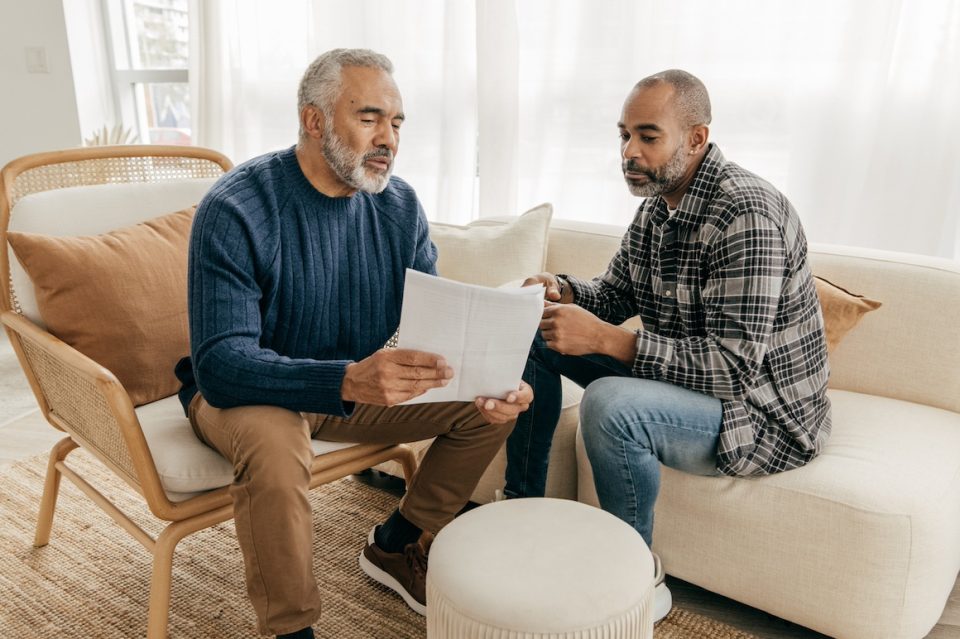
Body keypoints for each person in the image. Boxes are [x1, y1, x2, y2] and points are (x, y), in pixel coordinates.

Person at [175, 48, 532, 639]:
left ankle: (397, 542)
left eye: (396, 123)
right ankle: (291, 629)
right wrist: (344, 380)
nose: (388, 138)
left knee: (491, 407)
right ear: (314, 121)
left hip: (349, 383)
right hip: (247, 390)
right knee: (273, 445)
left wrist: (484, 374)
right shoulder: (237, 207)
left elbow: (436, 329)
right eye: (369, 118)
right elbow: (220, 365)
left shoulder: (399, 205)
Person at [505, 69, 831, 621]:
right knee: (537, 332)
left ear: (697, 138)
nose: (629, 151)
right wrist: (562, 290)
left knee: (610, 404)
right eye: (623, 135)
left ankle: (632, 578)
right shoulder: (657, 207)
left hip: (760, 414)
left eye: (647, 136)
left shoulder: (745, 214)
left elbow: (731, 369)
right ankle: (522, 512)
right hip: (683, 381)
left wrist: (610, 342)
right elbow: (614, 294)